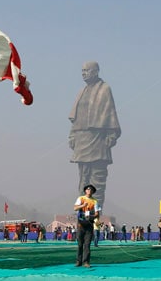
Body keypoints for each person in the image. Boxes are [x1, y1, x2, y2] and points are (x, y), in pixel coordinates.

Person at [68, 61, 121, 209]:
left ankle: (95, 212)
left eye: (87, 70)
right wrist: (72, 135)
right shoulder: (82, 91)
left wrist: (111, 136)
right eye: (82, 71)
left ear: (96, 71)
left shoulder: (104, 89)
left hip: (98, 140)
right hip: (81, 140)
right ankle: (83, 212)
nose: (84, 73)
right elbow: (75, 118)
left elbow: (109, 113)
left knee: (97, 179)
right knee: (83, 179)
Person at [73, 184, 101, 268]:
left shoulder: (95, 201)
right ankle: (79, 261)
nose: (89, 190)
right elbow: (75, 208)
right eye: (88, 189)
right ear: (85, 190)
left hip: (89, 224)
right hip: (80, 224)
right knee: (80, 244)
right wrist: (83, 205)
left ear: (93, 191)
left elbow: (97, 213)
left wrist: (94, 218)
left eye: (91, 189)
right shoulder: (81, 198)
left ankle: (86, 262)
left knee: (87, 244)